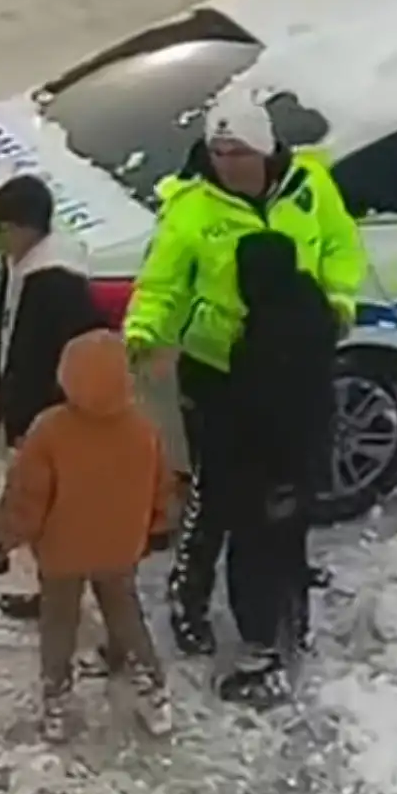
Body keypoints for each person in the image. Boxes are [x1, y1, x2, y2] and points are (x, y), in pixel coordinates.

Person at [122, 86, 365, 657]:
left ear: (266, 149)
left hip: (290, 361)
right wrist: (143, 336)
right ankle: (190, 597)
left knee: (291, 483)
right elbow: (161, 287)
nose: (228, 165)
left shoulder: (311, 186)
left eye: (239, 154)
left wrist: (337, 304)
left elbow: (341, 245)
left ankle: (288, 570)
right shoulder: (191, 211)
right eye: (219, 153)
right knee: (217, 494)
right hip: (220, 371)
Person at [0, 329, 174, 743]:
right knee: (124, 612)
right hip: (121, 547)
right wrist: (159, 526)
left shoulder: (50, 431)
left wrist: (0, 540)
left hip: (62, 552)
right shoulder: (143, 428)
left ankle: (58, 703)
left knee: (59, 623)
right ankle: (152, 692)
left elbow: (25, 499)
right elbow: (162, 485)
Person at [0, 174, 109, 621]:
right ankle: (52, 589)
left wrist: (29, 420)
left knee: (56, 519)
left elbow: (61, 354)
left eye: (2, 228)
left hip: (47, 420)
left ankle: (62, 598)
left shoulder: (55, 282)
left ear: (25, 228)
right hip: (34, 419)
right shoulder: (28, 264)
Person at [219, 231, 337, 706]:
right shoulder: (309, 310)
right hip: (302, 463)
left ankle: (261, 657)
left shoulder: (266, 342)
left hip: (267, 470)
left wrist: (278, 480)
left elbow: (268, 415)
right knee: (289, 549)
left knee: (252, 557)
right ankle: (295, 628)